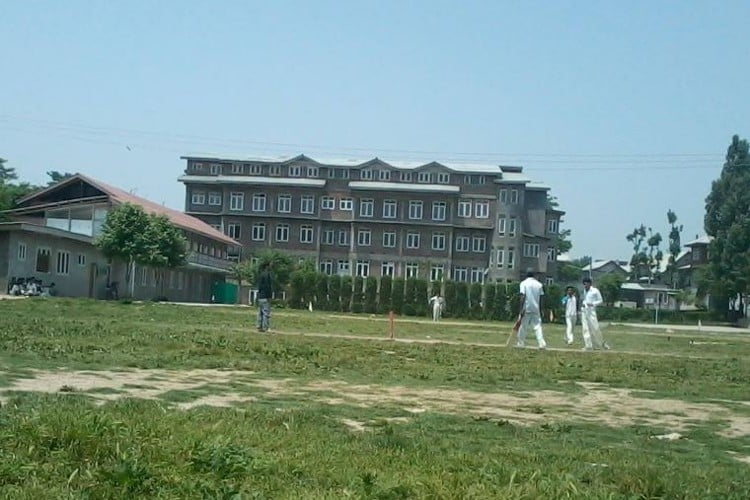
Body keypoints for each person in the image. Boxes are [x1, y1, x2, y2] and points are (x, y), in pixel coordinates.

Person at [515, 271, 547, 349]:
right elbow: (542, 298)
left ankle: (521, 343)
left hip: (526, 308)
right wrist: (542, 309)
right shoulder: (539, 285)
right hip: (536, 308)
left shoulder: (523, 283)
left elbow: (522, 296)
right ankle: (541, 343)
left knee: (523, 326)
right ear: (534, 276)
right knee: (537, 327)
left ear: (526, 276)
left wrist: (521, 309)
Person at [581, 277, 610, 350]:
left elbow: (600, 300)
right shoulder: (584, 291)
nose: (585, 285)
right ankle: (588, 345)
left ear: (590, 283)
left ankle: (601, 344)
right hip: (584, 311)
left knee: (595, 328)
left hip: (591, 311)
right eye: (584, 284)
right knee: (585, 329)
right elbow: (585, 299)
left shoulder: (595, 291)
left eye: (586, 283)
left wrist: (593, 304)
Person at [256, 262, 273, 332]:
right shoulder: (267, 275)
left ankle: (259, 326)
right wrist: (269, 295)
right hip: (265, 296)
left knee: (260, 312)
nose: (270, 267)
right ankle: (265, 327)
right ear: (266, 266)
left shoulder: (261, 275)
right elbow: (267, 286)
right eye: (269, 265)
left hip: (260, 296)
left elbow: (260, 286)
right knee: (266, 312)